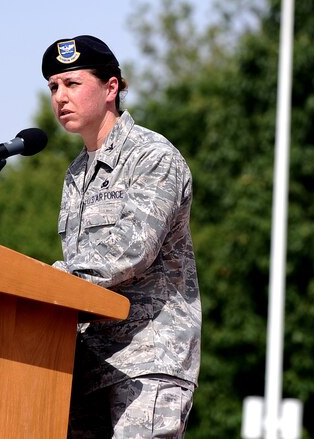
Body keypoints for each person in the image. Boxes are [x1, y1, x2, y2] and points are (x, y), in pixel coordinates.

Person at [42, 35, 201, 438]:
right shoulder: (76, 173)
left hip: (148, 358)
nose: (60, 97)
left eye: (72, 84)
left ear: (111, 87)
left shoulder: (153, 156)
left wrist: (47, 281)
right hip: (86, 364)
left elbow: (132, 248)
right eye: (53, 87)